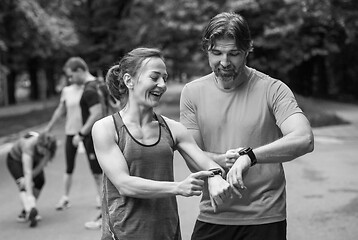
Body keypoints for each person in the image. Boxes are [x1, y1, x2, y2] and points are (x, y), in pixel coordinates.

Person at [180, 12, 314, 240]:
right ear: (206, 49)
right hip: (213, 213)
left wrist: (250, 157)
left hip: (265, 215)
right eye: (216, 53)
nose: (224, 62)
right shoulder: (192, 92)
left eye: (233, 54)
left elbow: (304, 139)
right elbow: (192, 155)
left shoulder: (273, 89)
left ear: (248, 49)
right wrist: (227, 160)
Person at [91, 47, 231, 240]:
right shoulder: (106, 128)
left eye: (165, 78)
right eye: (154, 77)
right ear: (128, 80)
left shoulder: (173, 129)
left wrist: (216, 175)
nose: (162, 85)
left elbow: (206, 163)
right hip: (124, 234)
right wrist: (178, 187)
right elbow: (125, 184)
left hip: (167, 233)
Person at [62, 57, 104, 229]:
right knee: (101, 176)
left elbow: (96, 113)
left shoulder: (89, 90)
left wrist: (81, 133)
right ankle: (105, 214)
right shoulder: (99, 84)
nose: (71, 80)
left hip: (94, 137)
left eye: (71, 75)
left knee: (99, 177)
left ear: (80, 70)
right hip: (99, 135)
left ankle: (105, 217)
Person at [44, 67, 84, 211]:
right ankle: (65, 197)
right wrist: (49, 127)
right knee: (69, 167)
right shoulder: (67, 91)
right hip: (71, 132)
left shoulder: (88, 88)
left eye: (71, 74)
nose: (69, 77)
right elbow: (60, 110)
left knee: (97, 169)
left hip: (87, 132)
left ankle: (101, 198)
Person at [6, 131, 57, 228]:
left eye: (46, 151)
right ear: (38, 144)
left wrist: (29, 179)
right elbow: (28, 172)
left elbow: (40, 166)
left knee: (40, 181)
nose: (43, 153)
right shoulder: (28, 146)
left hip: (33, 161)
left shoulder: (50, 149)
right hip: (15, 160)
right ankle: (30, 209)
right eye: (42, 149)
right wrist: (30, 195)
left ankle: (28, 211)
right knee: (23, 183)